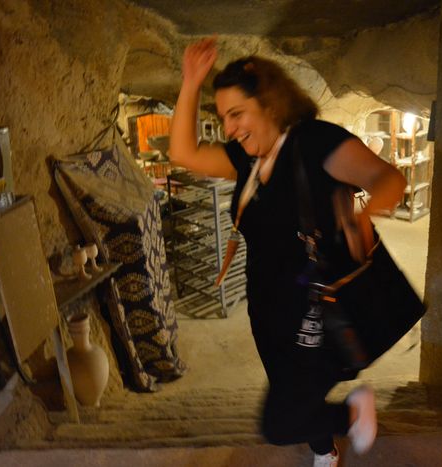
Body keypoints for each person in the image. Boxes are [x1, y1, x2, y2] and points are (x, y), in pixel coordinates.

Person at [169, 37, 407, 466]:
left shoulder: (315, 142)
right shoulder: (246, 159)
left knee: (279, 423)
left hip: (313, 305)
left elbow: (388, 178)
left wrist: (366, 216)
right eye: (223, 118)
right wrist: (190, 83)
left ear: (270, 104)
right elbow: (182, 153)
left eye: (237, 114)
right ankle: (324, 451)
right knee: (289, 390)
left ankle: (353, 411)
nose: (229, 128)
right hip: (265, 305)